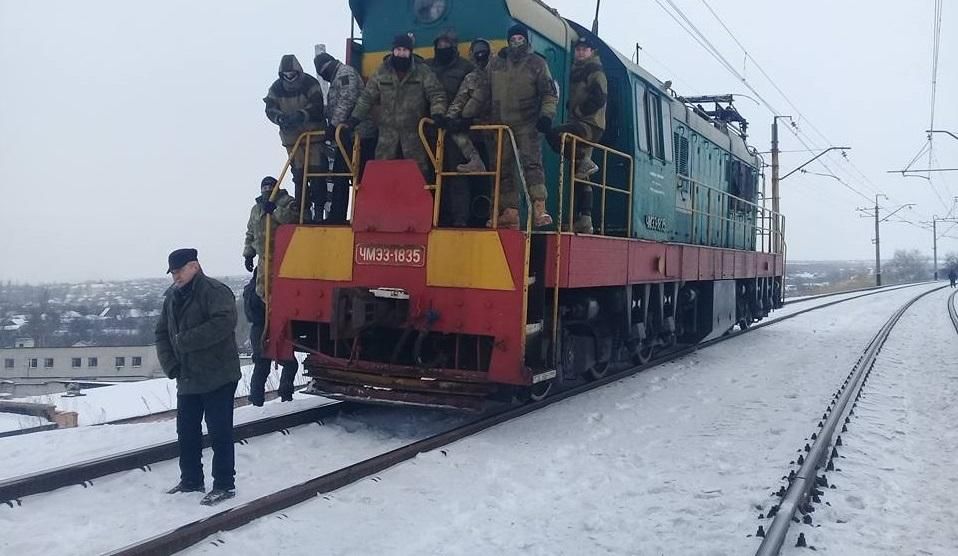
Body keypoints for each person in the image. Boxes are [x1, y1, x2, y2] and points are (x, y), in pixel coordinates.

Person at [155, 248, 241, 506]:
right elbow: (161, 333)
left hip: (218, 375)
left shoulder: (215, 292)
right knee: (187, 431)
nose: (175, 277)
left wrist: (185, 341)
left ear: (194, 266)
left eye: (179, 271)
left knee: (219, 431)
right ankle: (191, 479)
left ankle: (224, 484)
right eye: (172, 272)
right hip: (188, 376)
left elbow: (224, 324)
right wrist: (171, 364)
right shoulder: (171, 297)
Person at [346, 33, 448, 181]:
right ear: (393, 50)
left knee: (418, 177)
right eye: (398, 49)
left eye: (405, 50)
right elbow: (366, 98)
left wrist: (437, 113)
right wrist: (354, 119)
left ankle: (418, 203)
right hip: (387, 138)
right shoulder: (381, 72)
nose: (401, 53)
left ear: (410, 52)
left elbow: (436, 93)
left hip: (415, 136)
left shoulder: (422, 71)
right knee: (383, 176)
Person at [487, 23, 558, 229]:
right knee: (503, 168)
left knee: (532, 166)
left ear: (526, 40)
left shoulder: (537, 63)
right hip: (501, 124)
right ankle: (510, 212)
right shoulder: (497, 63)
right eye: (513, 39)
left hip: (528, 124)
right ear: (508, 41)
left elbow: (549, 93)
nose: (516, 42)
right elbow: (485, 90)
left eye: (520, 39)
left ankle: (539, 209)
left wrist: (546, 116)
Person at [548, 36, 607, 234]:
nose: (581, 52)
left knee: (555, 134)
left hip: (590, 125)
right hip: (581, 123)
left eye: (585, 49)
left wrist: (579, 111)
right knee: (579, 173)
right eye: (578, 49)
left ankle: (584, 160)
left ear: (592, 52)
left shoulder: (594, 71)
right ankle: (584, 219)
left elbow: (599, 98)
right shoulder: (576, 70)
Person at [313, 51, 375, 223]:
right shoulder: (337, 78)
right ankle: (337, 215)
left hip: (360, 135)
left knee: (357, 177)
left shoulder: (344, 73)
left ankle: (359, 215)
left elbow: (347, 99)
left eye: (323, 70)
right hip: (347, 136)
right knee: (342, 175)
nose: (323, 74)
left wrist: (333, 125)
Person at [264, 55, 326, 222]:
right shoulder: (276, 89)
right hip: (292, 140)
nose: (290, 78)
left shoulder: (310, 83)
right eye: (286, 75)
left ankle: (319, 212)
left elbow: (317, 105)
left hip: (313, 137)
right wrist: (280, 118)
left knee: (317, 174)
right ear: (281, 74)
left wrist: (301, 115)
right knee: (299, 176)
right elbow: (269, 108)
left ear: (298, 71)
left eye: (292, 74)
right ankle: (303, 212)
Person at [426, 30, 475, 227]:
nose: (442, 48)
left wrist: (464, 120)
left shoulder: (466, 68)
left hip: (456, 130)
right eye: (440, 44)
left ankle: (459, 219)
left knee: (456, 174)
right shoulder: (426, 67)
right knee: (429, 174)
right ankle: (430, 216)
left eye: (447, 44)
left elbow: (473, 95)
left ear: (454, 47)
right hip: (429, 130)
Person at [243, 176, 299, 298]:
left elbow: (293, 220)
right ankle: (269, 314)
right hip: (264, 257)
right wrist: (249, 255)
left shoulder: (288, 202)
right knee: (262, 290)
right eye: (264, 187)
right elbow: (251, 233)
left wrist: (275, 210)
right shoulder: (256, 209)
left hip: (284, 257)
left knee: (282, 290)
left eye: (270, 187)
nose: (267, 190)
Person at [446, 38, 492, 176]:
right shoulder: (471, 78)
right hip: (479, 125)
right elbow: (460, 100)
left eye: (483, 52)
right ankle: (474, 160)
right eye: (477, 52)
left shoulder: (500, 74)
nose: (480, 56)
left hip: (500, 123)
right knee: (455, 131)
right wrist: (449, 119)